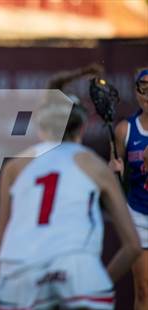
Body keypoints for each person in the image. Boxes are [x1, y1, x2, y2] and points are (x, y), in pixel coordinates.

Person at [0, 99, 141, 310]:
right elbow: (133, 246)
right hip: (77, 270)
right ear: (82, 127)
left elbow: (1, 238)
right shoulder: (95, 166)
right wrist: (100, 284)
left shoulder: (14, 166)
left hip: (22, 273)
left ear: (39, 128)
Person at [109, 68, 148, 310]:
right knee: (144, 290)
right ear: (136, 92)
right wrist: (114, 171)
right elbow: (111, 178)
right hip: (138, 215)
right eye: (144, 88)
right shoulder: (125, 130)